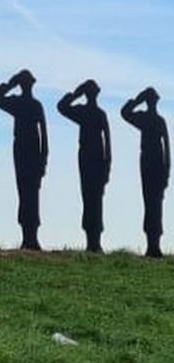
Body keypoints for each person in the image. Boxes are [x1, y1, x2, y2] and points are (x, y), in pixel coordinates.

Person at [0, 70, 48, 250]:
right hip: (22, 150)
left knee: (30, 193)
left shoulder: (32, 105)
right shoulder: (23, 104)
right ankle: (27, 236)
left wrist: (43, 158)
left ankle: (31, 236)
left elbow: (44, 135)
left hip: (30, 150)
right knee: (25, 192)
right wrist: (10, 84)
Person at [57, 80, 111, 253]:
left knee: (94, 199)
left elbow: (107, 142)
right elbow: (62, 107)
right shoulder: (88, 112)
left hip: (95, 158)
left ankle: (95, 240)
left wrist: (107, 164)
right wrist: (76, 94)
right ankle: (91, 240)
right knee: (89, 198)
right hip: (87, 157)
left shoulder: (95, 114)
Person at [121, 88, 170, 258]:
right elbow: (125, 113)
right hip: (148, 162)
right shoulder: (146, 119)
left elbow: (167, 149)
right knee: (150, 203)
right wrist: (137, 100)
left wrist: (167, 171)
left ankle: (154, 245)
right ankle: (152, 244)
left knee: (155, 204)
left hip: (155, 163)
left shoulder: (155, 120)